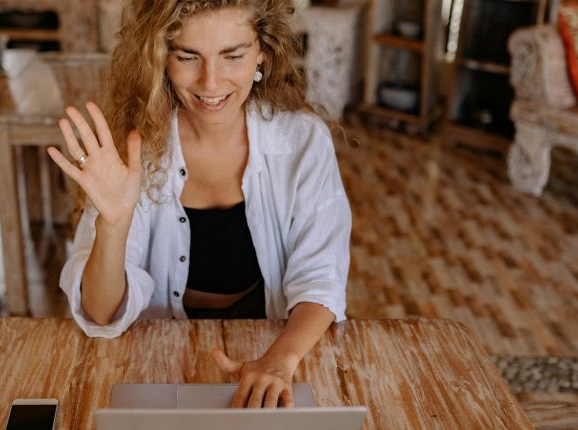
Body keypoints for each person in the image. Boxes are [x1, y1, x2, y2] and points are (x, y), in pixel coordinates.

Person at [47, 0, 352, 409]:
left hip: (275, 348)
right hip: (154, 362)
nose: (210, 82)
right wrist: (113, 226)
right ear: (161, 59)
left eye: (233, 55)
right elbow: (100, 313)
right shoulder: (134, 150)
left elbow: (321, 277)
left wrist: (279, 361)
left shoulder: (303, 142)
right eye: (188, 56)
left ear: (262, 53)